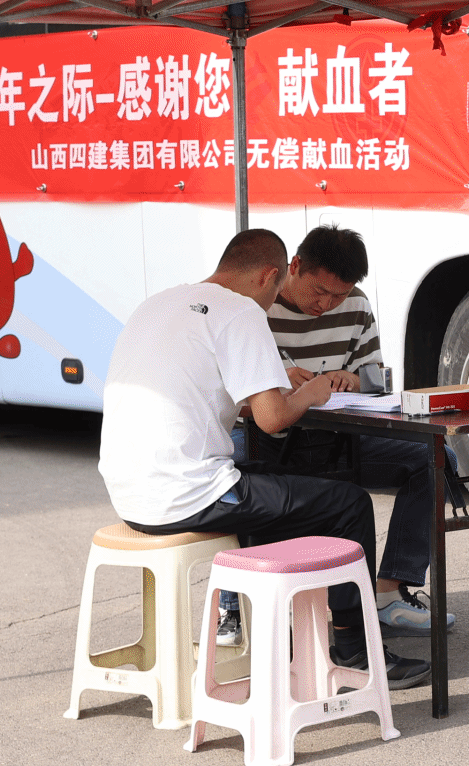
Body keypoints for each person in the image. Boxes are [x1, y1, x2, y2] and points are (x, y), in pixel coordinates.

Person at [96, 228, 429, 688]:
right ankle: (354, 650)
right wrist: (311, 392)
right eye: (275, 292)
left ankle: (254, 620)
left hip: (129, 493)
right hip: (185, 495)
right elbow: (272, 419)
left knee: (272, 478)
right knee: (349, 504)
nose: (273, 302)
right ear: (273, 275)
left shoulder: (159, 304)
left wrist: (273, 382)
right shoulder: (241, 310)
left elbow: (226, 396)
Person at [237, 224, 456, 644]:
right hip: (265, 437)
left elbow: (373, 379)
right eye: (320, 292)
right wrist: (277, 379)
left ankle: (389, 592)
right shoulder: (257, 306)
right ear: (294, 266)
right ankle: (236, 607)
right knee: (229, 473)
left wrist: (349, 380)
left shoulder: (354, 305)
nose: (328, 304)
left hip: (336, 438)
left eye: (338, 295)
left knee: (434, 460)